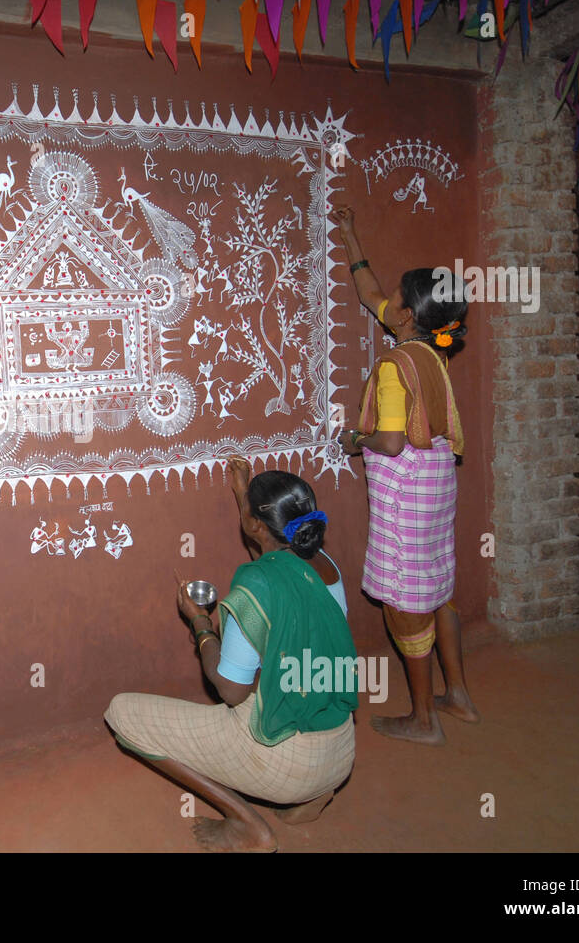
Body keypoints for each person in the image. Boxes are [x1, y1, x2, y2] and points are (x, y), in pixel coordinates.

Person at [105, 466, 358, 852]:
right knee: (271, 663)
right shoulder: (325, 566)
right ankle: (315, 797)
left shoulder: (254, 583)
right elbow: (271, 552)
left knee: (122, 713)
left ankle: (246, 824)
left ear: (256, 524)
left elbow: (231, 692)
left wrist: (201, 626)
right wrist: (244, 493)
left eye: (249, 516)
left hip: (285, 762)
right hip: (340, 751)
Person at [331, 205, 480, 746]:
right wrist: (350, 236)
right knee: (436, 587)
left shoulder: (395, 365)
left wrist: (355, 439)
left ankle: (423, 720)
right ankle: (457, 695)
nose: (387, 300)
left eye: (397, 296)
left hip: (407, 490)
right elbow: (369, 294)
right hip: (437, 482)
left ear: (409, 313)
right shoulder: (430, 353)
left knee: (403, 605)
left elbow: (391, 441)